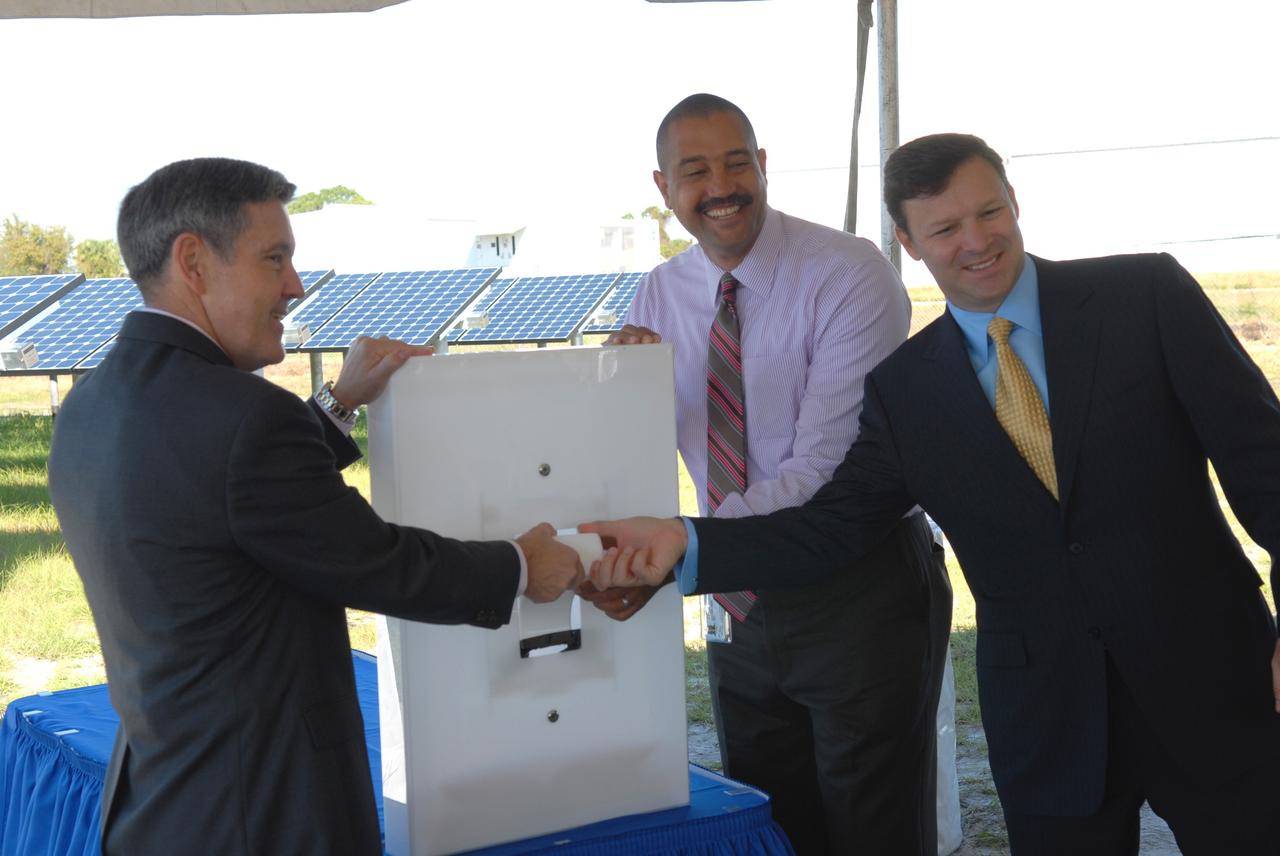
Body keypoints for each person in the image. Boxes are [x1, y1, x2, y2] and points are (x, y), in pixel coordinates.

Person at [584, 132, 1280, 855]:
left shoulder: (1145, 297)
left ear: (1015, 203)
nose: (976, 241)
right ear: (910, 243)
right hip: (1047, 719)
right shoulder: (905, 390)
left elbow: (1265, 464)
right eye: (945, 229)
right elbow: (833, 526)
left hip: (1216, 685)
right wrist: (687, 542)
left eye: (989, 213)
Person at [46, 157, 585, 856]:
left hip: (162, 801)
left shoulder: (90, 405)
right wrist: (522, 566)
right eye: (275, 259)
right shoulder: (244, 418)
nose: (295, 286)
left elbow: (227, 500)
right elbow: (375, 561)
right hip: (264, 812)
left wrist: (336, 402)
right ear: (194, 262)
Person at [579, 93, 951, 855]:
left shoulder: (848, 273)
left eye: (736, 163)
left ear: (764, 164)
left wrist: (686, 551)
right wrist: (620, 392)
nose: (722, 187)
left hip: (856, 590)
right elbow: (645, 447)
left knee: (872, 831)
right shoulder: (659, 293)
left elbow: (827, 467)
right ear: (664, 187)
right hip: (738, 605)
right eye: (695, 171)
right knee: (768, 822)